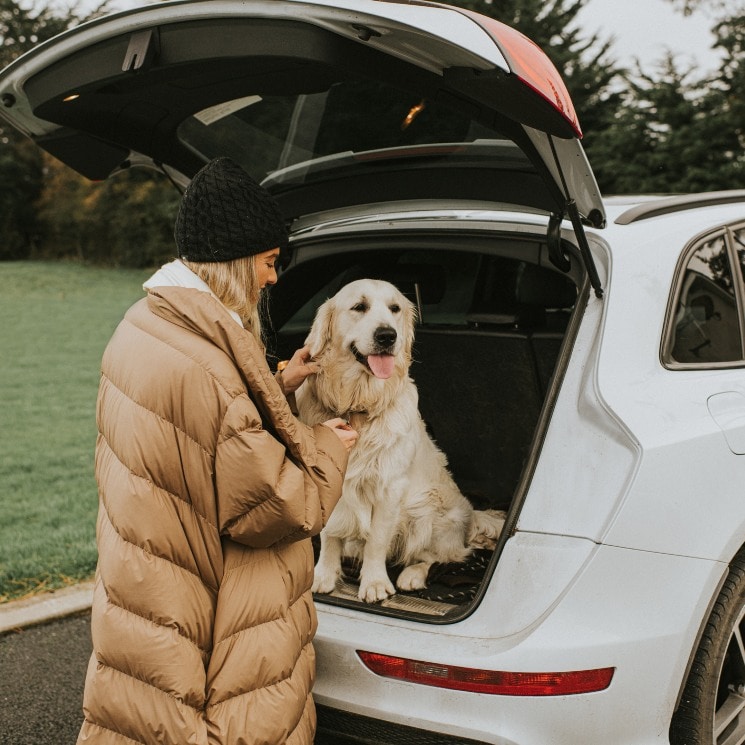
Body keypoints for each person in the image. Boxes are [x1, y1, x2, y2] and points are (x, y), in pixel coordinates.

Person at [78, 157, 357, 744]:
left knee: (142, 715)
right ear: (234, 263)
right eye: (268, 262)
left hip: (144, 580)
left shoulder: (142, 325)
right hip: (201, 600)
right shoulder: (212, 367)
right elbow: (276, 507)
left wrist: (275, 386)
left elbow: (194, 430)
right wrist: (330, 443)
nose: (274, 278)